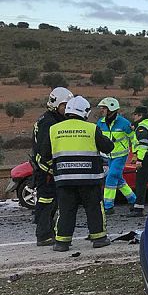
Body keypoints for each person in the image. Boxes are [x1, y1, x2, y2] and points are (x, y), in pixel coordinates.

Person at [40, 96, 114, 252]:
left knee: (66, 210)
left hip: (64, 180)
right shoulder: (91, 128)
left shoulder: (54, 129)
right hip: (90, 179)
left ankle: (62, 243)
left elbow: (45, 154)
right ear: (85, 112)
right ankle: (99, 238)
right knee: (94, 208)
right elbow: (108, 147)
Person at [31, 87, 73, 246]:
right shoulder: (48, 122)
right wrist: (52, 169)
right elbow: (45, 150)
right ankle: (43, 235)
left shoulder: (50, 119)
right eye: (64, 105)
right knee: (46, 202)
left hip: (48, 170)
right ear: (56, 105)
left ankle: (47, 232)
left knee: (51, 202)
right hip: (46, 171)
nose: (66, 108)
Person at [96, 97, 136, 214]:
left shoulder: (124, 123)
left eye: (104, 108)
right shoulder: (100, 122)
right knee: (119, 180)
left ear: (111, 109)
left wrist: (135, 154)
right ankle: (133, 199)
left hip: (121, 156)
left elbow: (133, 138)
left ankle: (108, 206)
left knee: (111, 177)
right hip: (108, 156)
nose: (101, 110)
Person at [129, 106, 148, 217]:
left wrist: (139, 159)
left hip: (147, 156)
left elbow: (143, 144)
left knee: (141, 182)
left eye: (135, 115)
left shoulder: (142, 127)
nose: (133, 117)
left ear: (140, 115)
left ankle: (138, 208)